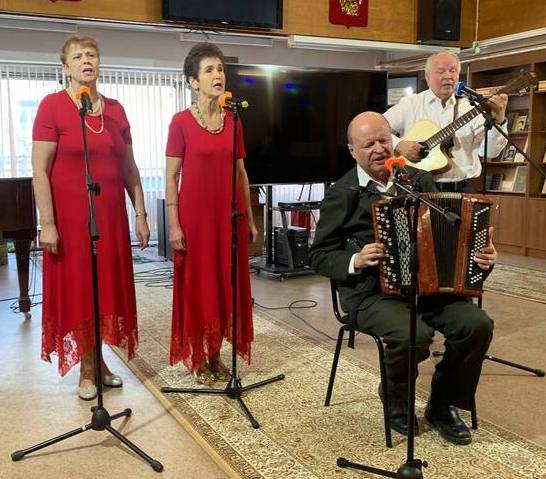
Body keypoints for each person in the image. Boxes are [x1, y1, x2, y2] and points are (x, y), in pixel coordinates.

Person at [309, 111, 497, 445]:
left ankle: (443, 404)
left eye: (383, 140)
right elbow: (319, 254)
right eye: (368, 144)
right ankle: (396, 397)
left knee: (476, 325)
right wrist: (355, 259)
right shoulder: (343, 192)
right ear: (352, 150)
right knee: (414, 334)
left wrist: (482, 257)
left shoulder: (418, 181)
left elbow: (450, 235)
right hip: (370, 293)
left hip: (429, 287)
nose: (378, 149)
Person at [32, 35, 150, 400]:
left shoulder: (115, 110)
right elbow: (39, 171)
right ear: (66, 67)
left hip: (109, 218)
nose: (87, 61)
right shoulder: (52, 106)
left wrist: (141, 213)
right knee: (82, 289)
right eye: (78, 56)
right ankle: (87, 367)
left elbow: (129, 168)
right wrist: (48, 223)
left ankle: (99, 362)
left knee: (104, 289)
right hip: (70, 220)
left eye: (92, 55)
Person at [165, 43, 257, 385]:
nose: (218, 75)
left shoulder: (234, 120)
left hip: (228, 217)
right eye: (209, 70)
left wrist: (250, 218)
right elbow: (171, 176)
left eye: (220, 69)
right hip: (195, 219)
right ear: (193, 82)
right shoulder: (180, 122)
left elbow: (241, 173)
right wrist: (174, 224)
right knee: (199, 286)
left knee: (225, 285)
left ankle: (217, 355)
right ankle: (199, 357)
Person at [384, 51, 508, 192]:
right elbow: (375, 132)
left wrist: (499, 121)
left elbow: (490, 153)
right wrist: (399, 144)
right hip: (417, 189)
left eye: (453, 71)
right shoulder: (411, 104)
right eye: (441, 71)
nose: (448, 76)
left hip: (461, 189)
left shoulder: (471, 108)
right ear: (427, 77)